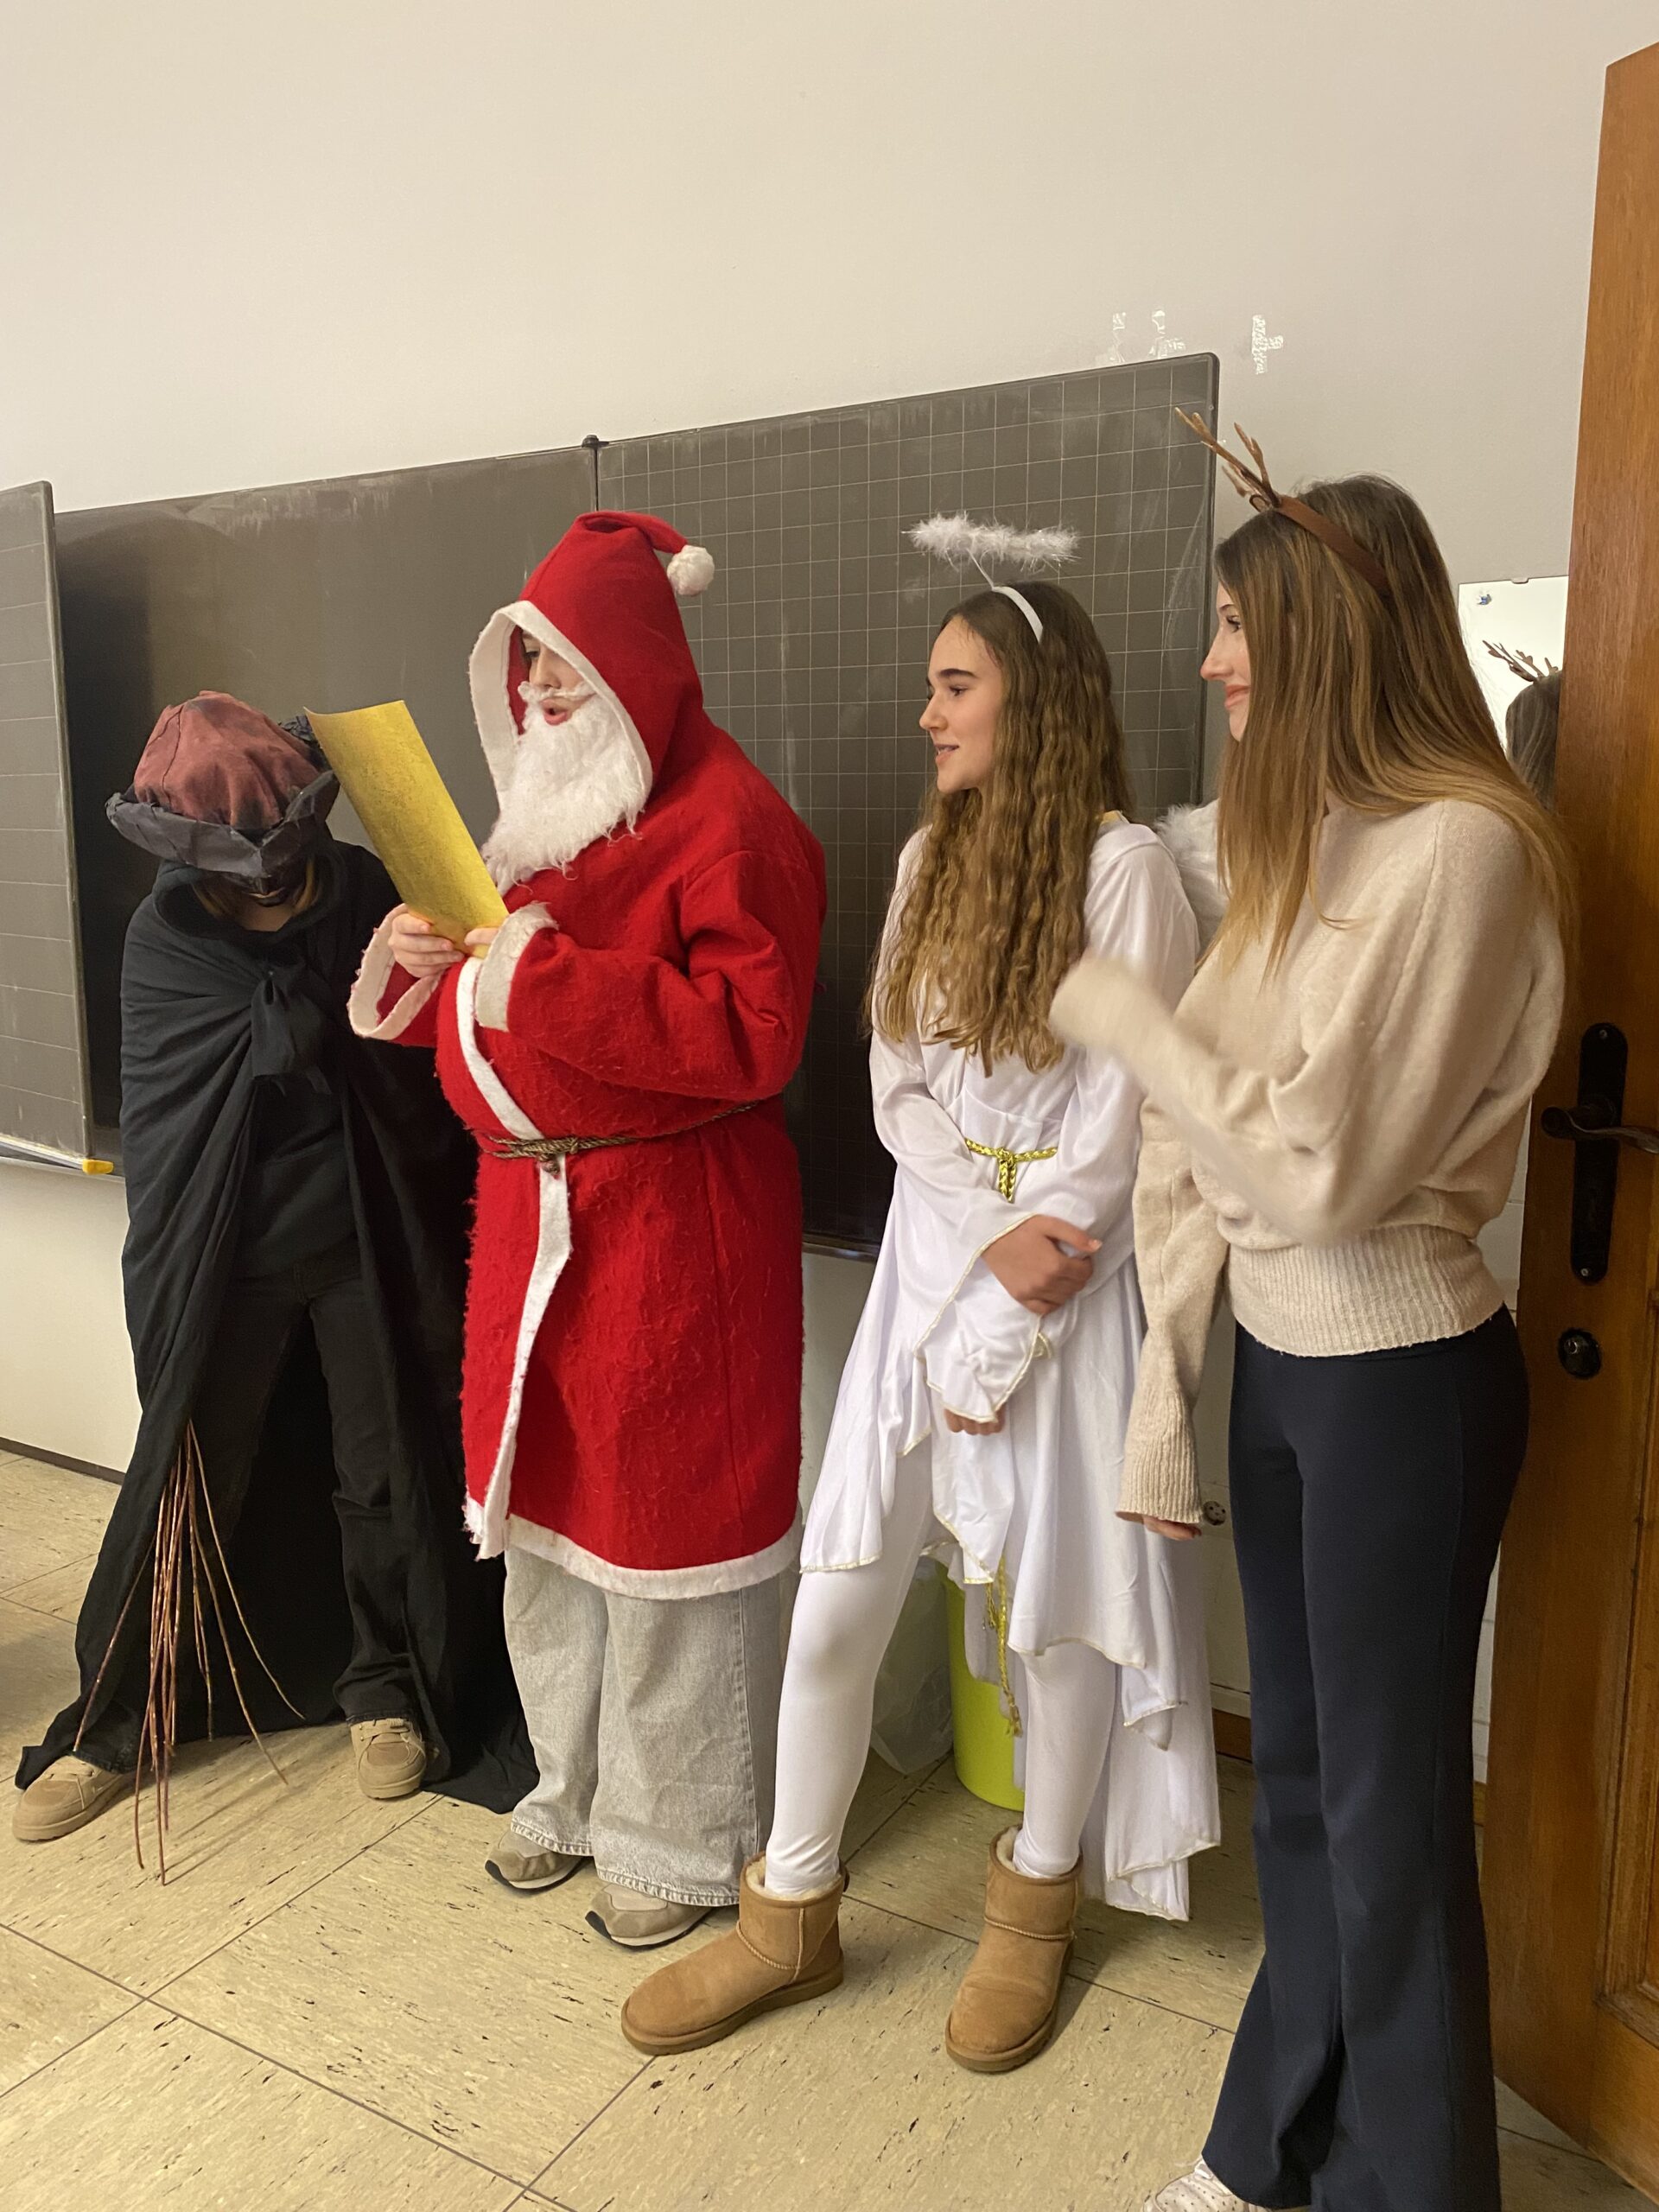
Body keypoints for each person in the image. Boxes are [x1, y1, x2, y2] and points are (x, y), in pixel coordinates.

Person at [1050, 425, 1570, 2212]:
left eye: (1233, 625)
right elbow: (1206, 1159)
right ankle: (1268, 2144)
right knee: (1301, 1786)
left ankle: (1412, 2185)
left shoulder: (1466, 853)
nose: (1212, 664)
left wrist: (1136, 1019)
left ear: (1325, 633)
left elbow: (1326, 1170)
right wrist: (1170, 1407)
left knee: (1388, 1813)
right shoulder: (1308, 848)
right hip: (1284, 1371)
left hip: (1403, 1383)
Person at [622, 569, 1220, 2070]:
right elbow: (898, 1084)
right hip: (932, 1268)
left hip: (1068, 1298)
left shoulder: (1127, 873)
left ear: (1037, 698)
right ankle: (791, 1913)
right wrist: (970, 1248)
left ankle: (1037, 1903)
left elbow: (1120, 1127)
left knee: (1058, 1621)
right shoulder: (924, 859)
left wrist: (1013, 1301)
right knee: (840, 1600)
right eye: (934, 686)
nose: (927, 713)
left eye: (956, 685)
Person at [351, 512, 825, 1948]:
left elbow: (754, 1037)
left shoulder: (736, 823)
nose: (545, 696)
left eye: (569, 670)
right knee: (550, 1532)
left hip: (674, 1234)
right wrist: (417, 963)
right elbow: (491, 1014)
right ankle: (569, 1791)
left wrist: (537, 975)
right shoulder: (540, 824)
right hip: (535, 1230)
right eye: (529, 671)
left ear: (636, 668)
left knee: (669, 1545)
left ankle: (678, 1842)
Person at [15, 694, 527, 1854]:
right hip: (225, 1255)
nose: (267, 888)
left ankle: (387, 1687)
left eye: (282, 864)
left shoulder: (367, 891)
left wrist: (400, 980)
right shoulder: (166, 940)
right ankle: (119, 1715)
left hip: (365, 1234)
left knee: (383, 1465)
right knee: (191, 1472)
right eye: (239, 873)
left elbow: (428, 1060)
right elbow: (180, 1115)